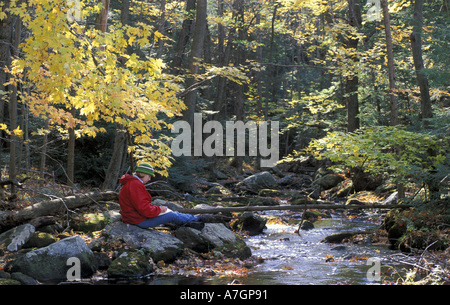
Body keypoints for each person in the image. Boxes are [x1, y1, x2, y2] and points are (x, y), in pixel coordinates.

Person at [118, 162, 207, 229]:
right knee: (171, 215)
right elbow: (144, 209)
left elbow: (140, 205)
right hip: (138, 220)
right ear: (143, 174)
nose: (149, 179)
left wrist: (157, 209)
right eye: (149, 176)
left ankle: (191, 223)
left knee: (171, 213)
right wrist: (159, 209)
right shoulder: (135, 185)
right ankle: (197, 219)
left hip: (133, 218)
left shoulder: (131, 183)